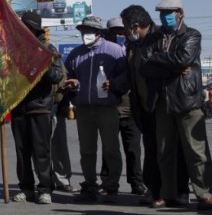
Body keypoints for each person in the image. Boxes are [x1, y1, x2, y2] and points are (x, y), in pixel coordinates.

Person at [141, 0, 212, 209]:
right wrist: (170, 65)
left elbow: (184, 59)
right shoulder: (154, 38)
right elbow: (144, 66)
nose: (165, 15)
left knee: (196, 150)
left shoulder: (192, 35)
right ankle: (168, 194)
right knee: (164, 150)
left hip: (187, 99)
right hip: (162, 100)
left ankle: (205, 192)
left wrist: (159, 59)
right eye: (162, 12)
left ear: (180, 13)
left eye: (169, 11)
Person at [120, 4, 189, 206]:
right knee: (151, 150)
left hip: (164, 103)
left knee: (173, 149)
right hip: (144, 104)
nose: (124, 31)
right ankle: (155, 189)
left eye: (126, 26)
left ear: (136, 25)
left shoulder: (162, 36)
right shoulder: (132, 45)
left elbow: (173, 63)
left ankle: (180, 190)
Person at [61, 15, 128, 202]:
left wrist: (114, 83)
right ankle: (90, 185)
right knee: (87, 151)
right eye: (83, 31)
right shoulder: (76, 54)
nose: (85, 34)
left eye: (88, 31)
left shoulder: (115, 51)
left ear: (99, 33)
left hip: (107, 108)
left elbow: (126, 77)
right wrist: (71, 83)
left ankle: (111, 186)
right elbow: (67, 76)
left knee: (111, 149)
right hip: (83, 109)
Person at [9, 12, 64, 204]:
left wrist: (43, 62)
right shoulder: (14, 49)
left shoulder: (47, 48)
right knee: (21, 152)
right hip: (19, 108)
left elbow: (56, 76)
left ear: (35, 30)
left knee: (41, 152)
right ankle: (26, 188)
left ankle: (45, 189)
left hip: (40, 108)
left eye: (28, 27)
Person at [99, 17, 146, 198]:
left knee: (133, 150)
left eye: (122, 31)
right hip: (110, 109)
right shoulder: (103, 55)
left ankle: (137, 183)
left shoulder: (133, 51)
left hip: (131, 109)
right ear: (107, 34)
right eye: (114, 32)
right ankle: (108, 182)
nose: (118, 35)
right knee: (108, 150)